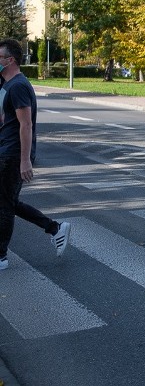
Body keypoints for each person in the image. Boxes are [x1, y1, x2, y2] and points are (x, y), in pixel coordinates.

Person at [0, 39, 70, 270]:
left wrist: (24, 161)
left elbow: (26, 124)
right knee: (7, 201)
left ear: (10, 60)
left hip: (12, 154)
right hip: (5, 150)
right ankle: (55, 228)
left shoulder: (18, 86)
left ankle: (1, 256)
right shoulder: (7, 84)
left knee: (5, 205)